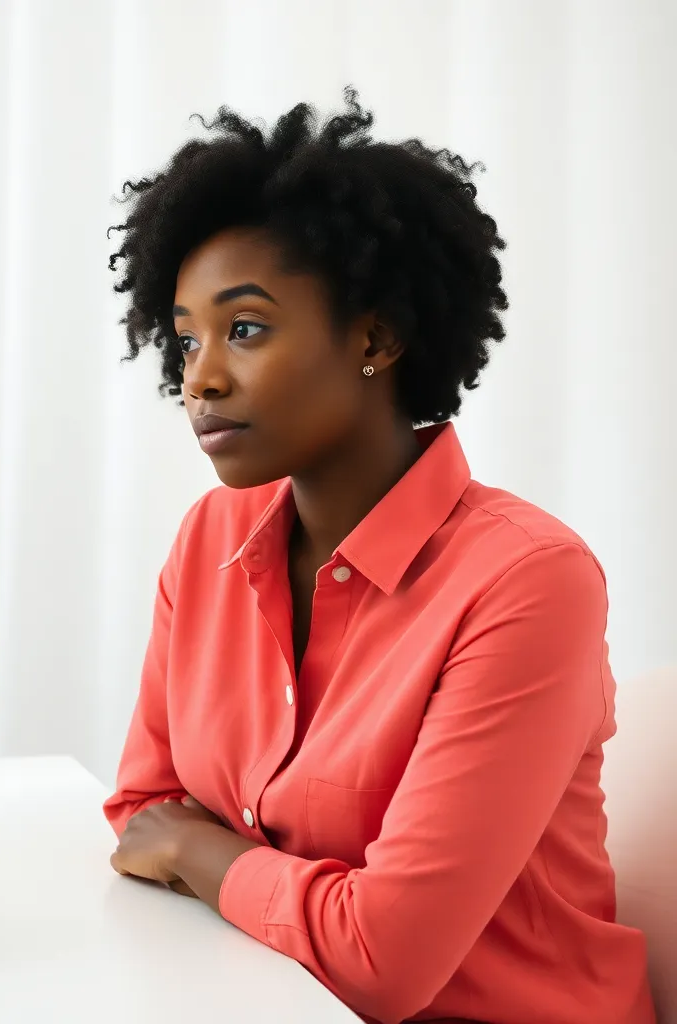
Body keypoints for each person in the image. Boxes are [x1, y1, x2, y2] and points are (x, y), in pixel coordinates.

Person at [100, 89, 655, 1024]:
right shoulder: (209, 539)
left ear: (377, 337)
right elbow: (142, 809)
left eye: (245, 329)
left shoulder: (527, 582)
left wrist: (204, 853)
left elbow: (383, 960)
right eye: (187, 339)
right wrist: (260, 880)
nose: (201, 378)